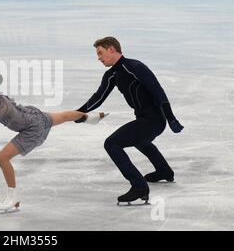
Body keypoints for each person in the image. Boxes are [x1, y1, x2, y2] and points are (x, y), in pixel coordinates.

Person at [0, 69, 107, 213]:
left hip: (31, 129)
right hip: (31, 116)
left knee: (2, 158)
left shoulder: (0, 107)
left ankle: (13, 198)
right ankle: (90, 118)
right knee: (63, 116)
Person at [75, 37, 183, 205]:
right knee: (140, 140)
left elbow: (158, 92)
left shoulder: (134, 67)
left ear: (112, 49)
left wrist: (171, 118)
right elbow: (99, 97)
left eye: (100, 53)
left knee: (112, 144)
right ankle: (164, 171)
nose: (99, 58)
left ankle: (139, 187)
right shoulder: (111, 74)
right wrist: (79, 113)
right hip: (143, 119)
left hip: (154, 120)